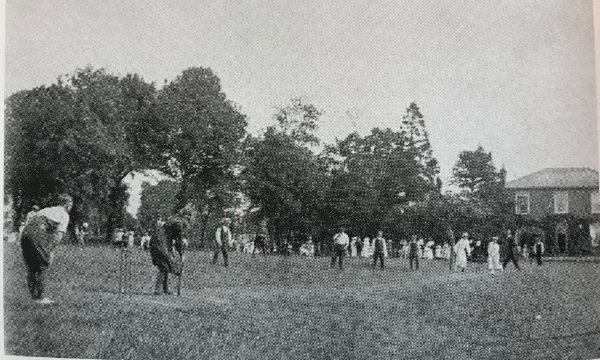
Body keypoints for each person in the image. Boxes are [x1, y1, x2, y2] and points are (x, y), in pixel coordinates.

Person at [20, 194, 73, 304]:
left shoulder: (46, 210)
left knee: (31, 267)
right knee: (41, 266)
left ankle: (34, 297)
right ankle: (40, 298)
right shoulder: (64, 215)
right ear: (68, 204)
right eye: (71, 204)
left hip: (25, 234)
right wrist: (49, 251)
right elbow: (58, 236)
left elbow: (31, 223)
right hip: (37, 234)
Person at [149, 218, 181, 295]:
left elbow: (170, 246)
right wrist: (175, 268)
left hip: (159, 247)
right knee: (163, 267)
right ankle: (157, 290)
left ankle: (165, 289)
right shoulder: (161, 234)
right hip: (157, 248)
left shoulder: (167, 233)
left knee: (165, 268)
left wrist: (178, 253)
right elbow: (165, 254)